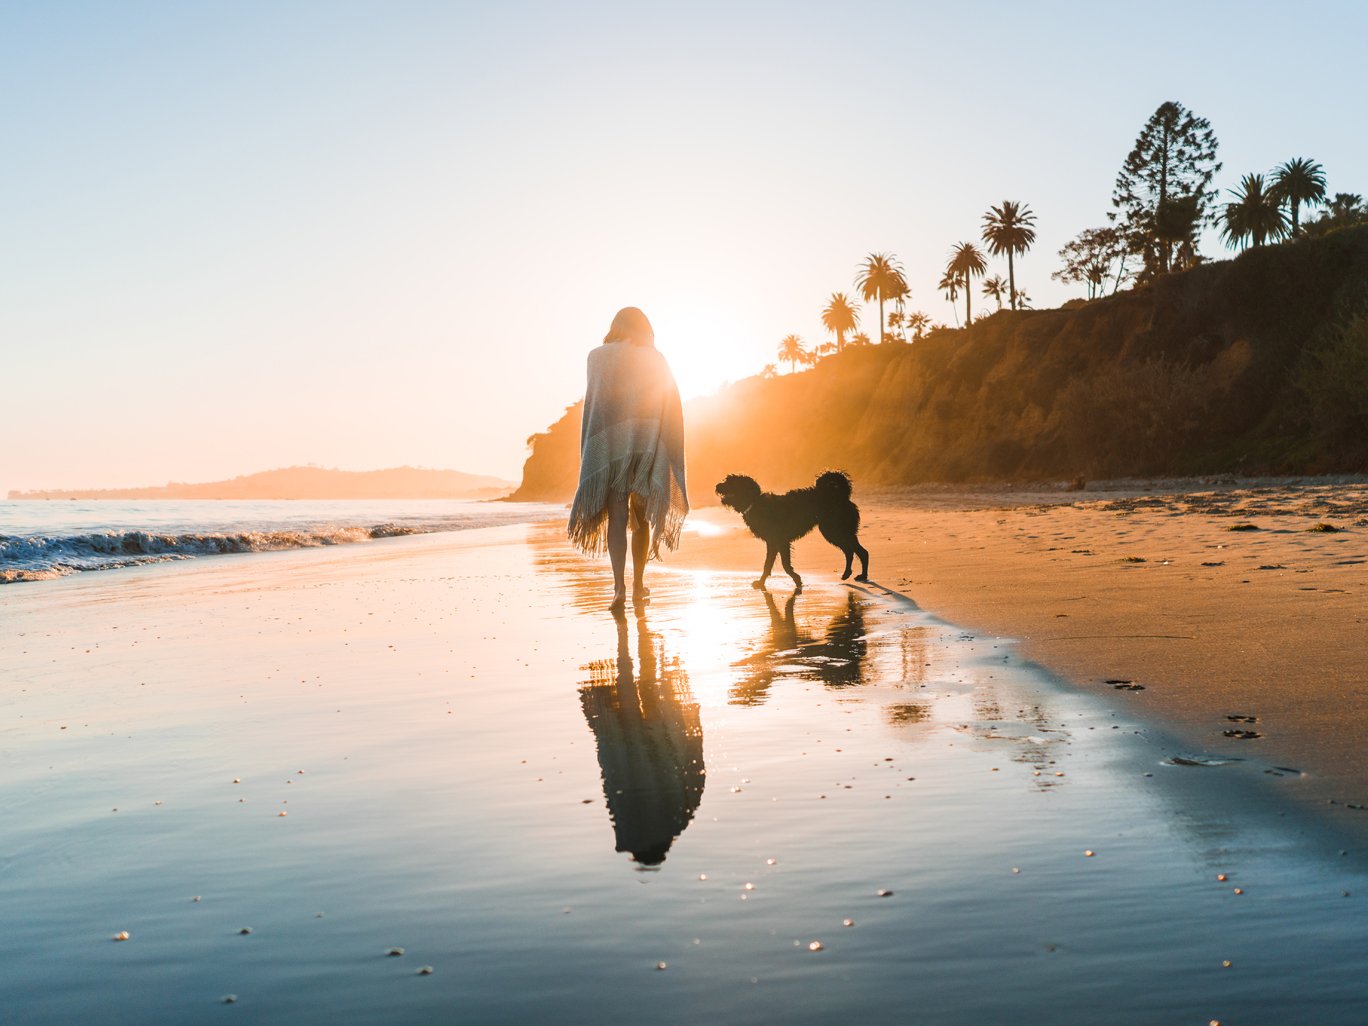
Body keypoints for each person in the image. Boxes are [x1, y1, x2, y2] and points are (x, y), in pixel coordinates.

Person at [567, 307, 688, 614]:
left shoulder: (596, 357)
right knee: (641, 519)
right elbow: (669, 401)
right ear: (645, 328)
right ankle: (638, 586)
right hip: (646, 447)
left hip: (611, 450)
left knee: (618, 517)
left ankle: (618, 586)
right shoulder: (654, 358)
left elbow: (597, 407)